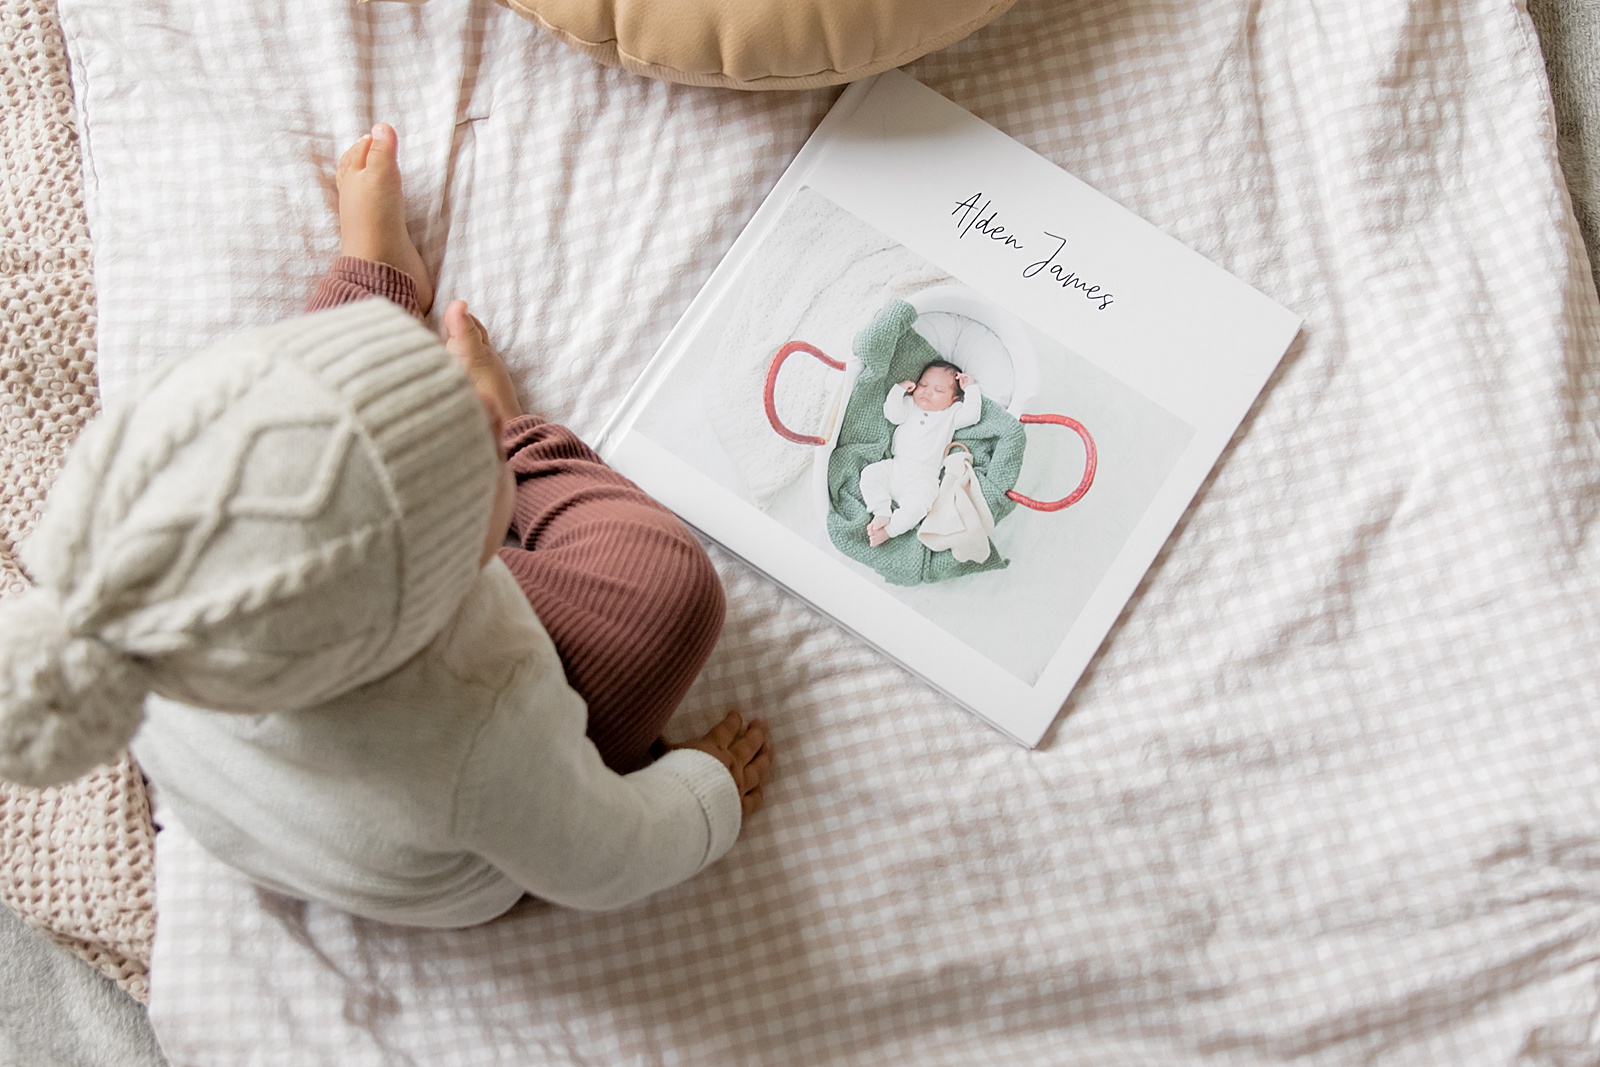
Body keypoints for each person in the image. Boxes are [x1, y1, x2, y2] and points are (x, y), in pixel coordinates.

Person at [0, 124, 772, 925]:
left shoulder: (114, 550)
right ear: (446, 586)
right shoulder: (481, 720)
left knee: (273, 418)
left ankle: (373, 283)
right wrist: (701, 797)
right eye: (473, 459)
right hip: (447, 835)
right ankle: (524, 442)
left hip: (264, 776)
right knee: (670, 592)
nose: (464, 402)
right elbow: (606, 856)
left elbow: (264, 415)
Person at [859, 359, 982, 547]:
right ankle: (881, 511)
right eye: (923, 385)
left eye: (939, 390)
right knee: (870, 474)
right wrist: (898, 390)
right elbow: (891, 414)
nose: (927, 391)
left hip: (924, 477)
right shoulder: (910, 405)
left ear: (954, 399)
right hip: (896, 466)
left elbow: (972, 415)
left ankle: (889, 531)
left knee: (919, 507)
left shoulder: (952, 413)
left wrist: (970, 388)